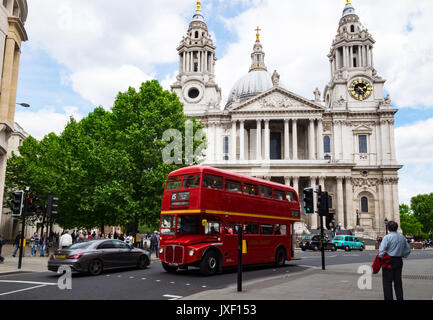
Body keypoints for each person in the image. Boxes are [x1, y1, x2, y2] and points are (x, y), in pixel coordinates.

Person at [378, 221, 411, 301]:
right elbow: (408, 250)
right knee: (398, 282)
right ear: (396, 228)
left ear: (388, 228)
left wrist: (381, 257)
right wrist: (403, 255)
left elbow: (381, 251)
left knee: (387, 283)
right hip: (399, 260)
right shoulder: (402, 237)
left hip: (389, 261)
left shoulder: (387, 237)